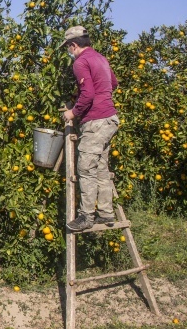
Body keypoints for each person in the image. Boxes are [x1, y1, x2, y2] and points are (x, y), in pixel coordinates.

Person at [60, 26, 120, 232]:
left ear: (74, 45)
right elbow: (114, 83)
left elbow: (88, 94)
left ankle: (86, 216)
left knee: (85, 168)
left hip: (96, 121)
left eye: (68, 47)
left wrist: (73, 113)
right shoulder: (101, 58)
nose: (69, 51)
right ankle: (106, 213)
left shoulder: (81, 62)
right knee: (101, 167)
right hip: (110, 119)